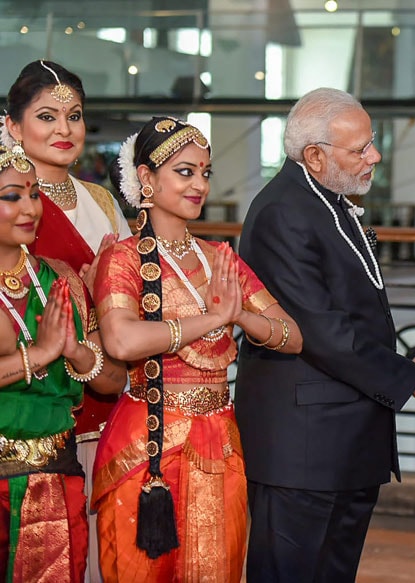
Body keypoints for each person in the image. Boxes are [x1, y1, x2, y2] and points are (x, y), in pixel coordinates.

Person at [235, 87, 415, 583]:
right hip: (303, 453)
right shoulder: (283, 211)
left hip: (342, 445)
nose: (374, 156)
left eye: (371, 143)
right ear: (314, 156)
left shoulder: (324, 200)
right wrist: (411, 377)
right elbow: (323, 332)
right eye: (360, 149)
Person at [90, 116, 302, 582]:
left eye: (205, 172)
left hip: (221, 442)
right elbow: (122, 340)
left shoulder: (220, 257)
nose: (199, 184)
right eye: (185, 171)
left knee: (219, 568)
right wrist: (212, 319)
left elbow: (291, 335)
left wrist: (241, 316)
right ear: (146, 178)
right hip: (149, 444)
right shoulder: (122, 258)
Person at [2, 60, 132, 581]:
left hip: (90, 396)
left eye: (74, 116)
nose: (64, 129)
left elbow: (129, 302)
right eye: (47, 116)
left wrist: (103, 289)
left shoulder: (99, 199)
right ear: (12, 125)